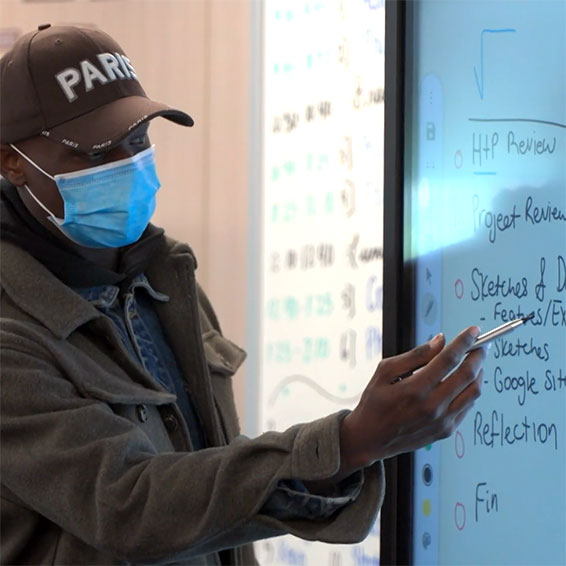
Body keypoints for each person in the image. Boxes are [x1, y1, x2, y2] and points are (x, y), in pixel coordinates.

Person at [0, 24, 487, 565]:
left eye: (136, 140)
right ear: (13, 162)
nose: (125, 163)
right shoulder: (12, 335)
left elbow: (210, 487)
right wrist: (349, 443)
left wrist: (347, 452)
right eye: (95, 152)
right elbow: (129, 504)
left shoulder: (166, 277)